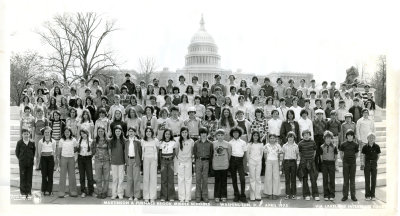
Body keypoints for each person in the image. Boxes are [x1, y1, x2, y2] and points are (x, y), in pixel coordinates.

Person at [298, 129, 319, 201]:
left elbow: (315, 151)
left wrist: (312, 158)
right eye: (304, 135)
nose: (306, 136)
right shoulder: (300, 143)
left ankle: (315, 194)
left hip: (311, 162)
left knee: (313, 179)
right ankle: (306, 194)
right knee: (305, 179)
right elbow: (300, 153)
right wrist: (304, 159)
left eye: (307, 134)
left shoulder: (313, 142)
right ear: (302, 136)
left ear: (310, 135)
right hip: (303, 162)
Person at [193, 127, 213, 203]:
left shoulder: (210, 143)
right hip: (198, 161)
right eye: (202, 133)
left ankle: (205, 196)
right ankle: (198, 196)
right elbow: (194, 152)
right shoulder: (196, 143)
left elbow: (211, 153)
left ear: (207, 134)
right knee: (198, 179)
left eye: (205, 133)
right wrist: (196, 161)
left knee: (205, 179)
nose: (203, 135)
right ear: (200, 134)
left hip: (206, 161)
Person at [57, 127, 78, 198]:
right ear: (64, 133)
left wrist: (74, 158)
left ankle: (73, 191)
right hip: (63, 158)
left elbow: (75, 149)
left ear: (70, 132)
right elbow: (59, 151)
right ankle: (61, 192)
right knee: (62, 175)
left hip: (71, 158)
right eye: (65, 132)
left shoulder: (74, 140)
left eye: (68, 132)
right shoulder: (61, 140)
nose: (67, 133)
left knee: (72, 175)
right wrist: (59, 160)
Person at [229, 127, 248, 203]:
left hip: (240, 161)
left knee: (242, 178)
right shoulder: (230, 143)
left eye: (237, 132)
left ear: (239, 133)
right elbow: (229, 154)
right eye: (234, 133)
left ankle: (243, 195)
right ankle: (236, 195)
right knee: (234, 179)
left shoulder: (243, 142)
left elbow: (245, 154)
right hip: (232, 160)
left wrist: (245, 165)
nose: (235, 134)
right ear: (232, 134)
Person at [212, 129, 232, 203]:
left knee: (224, 181)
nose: (220, 137)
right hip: (216, 165)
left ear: (224, 136)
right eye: (218, 135)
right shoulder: (213, 144)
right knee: (217, 181)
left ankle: (224, 196)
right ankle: (216, 196)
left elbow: (229, 155)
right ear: (216, 136)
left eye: (222, 135)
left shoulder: (228, 144)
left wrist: (227, 162)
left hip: (224, 165)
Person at [339, 129, 359, 202]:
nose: (350, 137)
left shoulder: (355, 144)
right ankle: (345, 196)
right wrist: (343, 160)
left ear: (353, 136)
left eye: (351, 136)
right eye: (348, 136)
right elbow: (341, 153)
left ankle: (353, 196)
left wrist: (353, 160)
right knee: (346, 180)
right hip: (346, 163)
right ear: (346, 136)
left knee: (352, 180)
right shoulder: (343, 144)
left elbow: (357, 154)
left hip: (353, 163)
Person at [92, 126, 111, 199]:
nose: (100, 132)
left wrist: (110, 159)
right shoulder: (95, 141)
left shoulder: (108, 140)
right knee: (98, 178)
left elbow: (109, 150)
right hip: (97, 161)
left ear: (104, 132)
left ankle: (104, 192)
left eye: (102, 131)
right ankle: (99, 192)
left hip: (106, 161)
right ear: (97, 132)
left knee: (106, 178)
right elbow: (92, 151)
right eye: (99, 131)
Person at [15, 129, 35, 198]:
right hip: (22, 163)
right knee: (23, 177)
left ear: (29, 134)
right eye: (24, 134)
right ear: (22, 135)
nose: (26, 135)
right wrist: (21, 159)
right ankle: (23, 192)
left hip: (30, 163)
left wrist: (31, 158)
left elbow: (34, 152)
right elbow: (17, 152)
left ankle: (29, 191)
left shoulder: (32, 142)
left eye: (27, 134)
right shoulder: (19, 142)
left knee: (29, 177)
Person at [176, 127, 194, 202]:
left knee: (188, 179)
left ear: (188, 133)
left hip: (188, 162)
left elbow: (192, 152)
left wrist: (188, 159)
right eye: (183, 132)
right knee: (180, 179)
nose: (184, 134)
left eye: (185, 132)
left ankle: (187, 197)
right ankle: (181, 197)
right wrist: (180, 159)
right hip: (180, 162)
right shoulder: (178, 141)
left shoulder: (191, 141)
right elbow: (176, 152)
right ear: (181, 133)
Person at [38, 126, 56, 196]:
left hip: (50, 158)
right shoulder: (40, 141)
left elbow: (54, 151)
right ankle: (43, 189)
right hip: (43, 158)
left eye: (48, 132)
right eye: (45, 132)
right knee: (44, 175)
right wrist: (40, 160)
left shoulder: (53, 141)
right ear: (43, 133)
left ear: (50, 133)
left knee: (50, 175)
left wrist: (54, 160)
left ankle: (49, 190)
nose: (47, 133)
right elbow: (39, 152)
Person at [142, 127, 159, 203]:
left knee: (153, 178)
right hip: (145, 159)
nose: (148, 132)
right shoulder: (142, 141)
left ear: (152, 132)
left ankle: (152, 197)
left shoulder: (156, 140)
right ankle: (146, 196)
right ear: (145, 133)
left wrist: (156, 160)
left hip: (153, 160)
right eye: (147, 131)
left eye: (150, 131)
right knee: (146, 178)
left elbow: (158, 150)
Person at [319, 131, 338, 201]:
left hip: (331, 163)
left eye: (329, 138)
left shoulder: (334, 147)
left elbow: (336, 156)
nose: (328, 139)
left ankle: (332, 194)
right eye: (327, 138)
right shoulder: (321, 147)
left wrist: (333, 161)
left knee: (332, 179)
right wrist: (324, 162)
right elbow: (321, 156)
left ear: (331, 138)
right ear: (324, 138)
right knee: (325, 179)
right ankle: (326, 194)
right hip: (324, 164)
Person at [125, 127, 142, 201]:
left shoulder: (138, 142)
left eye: (132, 131)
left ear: (135, 133)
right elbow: (125, 152)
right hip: (129, 160)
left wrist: (139, 161)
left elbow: (140, 152)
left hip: (135, 160)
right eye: (129, 131)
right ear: (128, 133)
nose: (131, 133)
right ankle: (130, 195)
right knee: (129, 178)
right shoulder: (126, 142)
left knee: (136, 178)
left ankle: (136, 195)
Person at [362, 133, 381, 201]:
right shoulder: (364, 147)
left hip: (374, 164)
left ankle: (372, 195)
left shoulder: (377, 146)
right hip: (367, 164)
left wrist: (374, 162)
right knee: (367, 180)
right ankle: (367, 195)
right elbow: (363, 156)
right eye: (370, 137)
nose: (371, 139)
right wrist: (364, 164)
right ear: (367, 138)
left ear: (374, 139)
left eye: (373, 138)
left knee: (373, 180)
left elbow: (378, 155)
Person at [159, 129, 177, 202]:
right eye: (166, 134)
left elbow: (174, 153)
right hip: (163, 161)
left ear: (171, 135)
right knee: (163, 179)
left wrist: (171, 159)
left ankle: (171, 196)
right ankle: (163, 196)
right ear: (164, 134)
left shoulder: (173, 142)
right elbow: (160, 153)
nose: (167, 135)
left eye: (169, 134)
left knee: (170, 179)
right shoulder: (161, 142)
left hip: (170, 161)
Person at [263, 133, 282, 200]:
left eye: (273, 138)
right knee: (268, 177)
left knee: (276, 177)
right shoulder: (266, 146)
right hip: (269, 161)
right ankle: (269, 193)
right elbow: (265, 156)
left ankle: (275, 193)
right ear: (269, 139)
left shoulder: (278, 146)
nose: (272, 139)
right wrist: (266, 162)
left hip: (276, 161)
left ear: (275, 139)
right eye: (271, 138)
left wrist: (279, 164)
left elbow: (279, 156)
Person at [246, 131, 263, 201]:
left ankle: (258, 194)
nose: (255, 137)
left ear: (258, 136)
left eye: (257, 135)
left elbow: (261, 154)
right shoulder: (249, 144)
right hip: (251, 161)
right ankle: (252, 195)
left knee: (258, 178)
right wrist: (249, 161)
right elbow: (247, 154)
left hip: (258, 162)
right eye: (254, 135)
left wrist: (259, 160)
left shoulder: (261, 144)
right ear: (252, 136)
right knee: (252, 178)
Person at [110, 125, 126, 200]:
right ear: (114, 132)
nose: (117, 132)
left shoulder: (124, 141)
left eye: (119, 131)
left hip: (121, 162)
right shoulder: (111, 141)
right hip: (114, 162)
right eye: (116, 131)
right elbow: (110, 151)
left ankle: (120, 193)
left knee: (121, 179)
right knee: (115, 179)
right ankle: (114, 194)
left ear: (121, 132)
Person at [282, 131, 299, 200]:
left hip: (293, 162)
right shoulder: (284, 146)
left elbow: (297, 155)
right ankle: (287, 193)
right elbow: (283, 155)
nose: (290, 138)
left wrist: (296, 162)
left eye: (292, 137)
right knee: (287, 179)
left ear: (294, 138)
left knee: (293, 179)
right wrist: (282, 164)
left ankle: (293, 194)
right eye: (289, 137)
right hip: (286, 162)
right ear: (287, 138)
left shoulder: (296, 146)